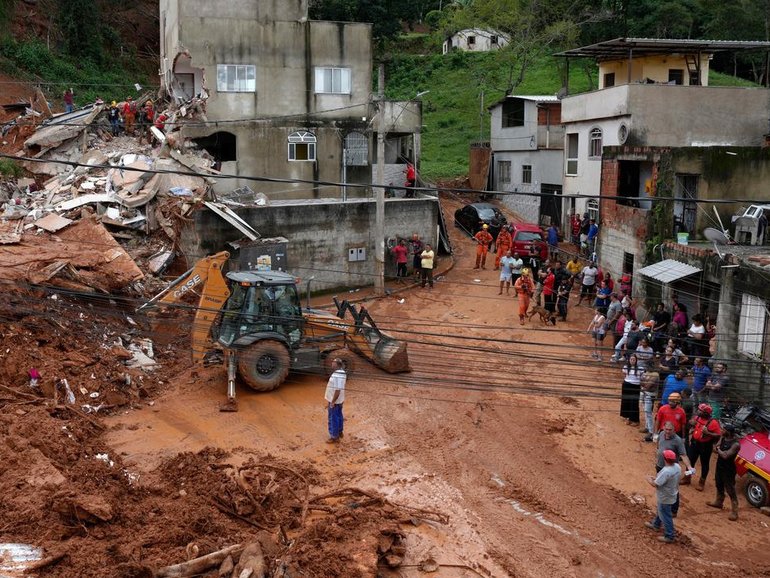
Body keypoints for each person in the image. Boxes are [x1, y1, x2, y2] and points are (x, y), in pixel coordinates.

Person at [654, 421, 695, 518]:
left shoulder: (678, 440)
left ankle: (673, 510)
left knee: (673, 490)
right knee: (661, 488)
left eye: (670, 430)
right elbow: (659, 446)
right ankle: (662, 506)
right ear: (663, 428)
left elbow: (683, 455)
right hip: (660, 466)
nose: (668, 431)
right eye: (666, 429)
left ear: (674, 430)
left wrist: (689, 467)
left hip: (670, 469)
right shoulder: (661, 434)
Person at [645, 449, 681, 543]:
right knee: (661, 510)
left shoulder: (666, 471)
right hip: (672, 494)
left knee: (666, 515)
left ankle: (669, 536)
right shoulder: (677, 467)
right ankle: (656, 524)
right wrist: (656, 478)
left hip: (665, 496)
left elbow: (655, 484)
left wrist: (649, 479)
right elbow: (665, 479)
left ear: (665, 459)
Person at [707, 423, 741, 521]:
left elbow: (726, 455)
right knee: (719, 484)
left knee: (730, 489)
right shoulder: (723, 438)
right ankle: (719, 502)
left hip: (728, 470)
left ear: (728, 432)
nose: (721, 430)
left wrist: (718, 449)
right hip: (720, 466)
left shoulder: (735, 444)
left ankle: (735, 511)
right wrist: (718, 448)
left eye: (723, 429)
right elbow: (715, 449)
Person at [688, 403, 721, 492]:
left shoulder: (713, 423)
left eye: (700, 410)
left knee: (704, 464)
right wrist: (691, 423)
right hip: (695, 443)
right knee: (690, 461)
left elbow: (718, 435)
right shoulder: (697, 418)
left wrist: (708, 433)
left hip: (705, 446)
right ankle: (687, 477)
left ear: (706, 413)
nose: (698, 411)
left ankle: (702, 482)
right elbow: (691, 423)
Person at [324, 358, 347, 443]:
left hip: (335, 400)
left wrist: (333, 402)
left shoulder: (337, 375)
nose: (332, 363)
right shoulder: (342, 372)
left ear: (337, 364)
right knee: (339, 416)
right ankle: (340, 432)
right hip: (340, 400)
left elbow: (337, 390)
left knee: (333, 418)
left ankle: (334, 436)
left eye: (333, 362)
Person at [620, 354, 643, 425]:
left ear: (636, 360)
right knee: (626, 401)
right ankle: (628, 418)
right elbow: (624, 375)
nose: (632, 361)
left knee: (634, 403)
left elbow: (642, 378)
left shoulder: (640, 368)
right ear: (629, 360)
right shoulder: (625, 367)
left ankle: (635, 420)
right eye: (631, 359)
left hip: (635, 387)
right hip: (626, 385)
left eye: (634, 359)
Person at [640, 372, 659, 437]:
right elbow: (641, 382)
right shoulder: (646, 373)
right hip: (644, 394)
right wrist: (645, 384)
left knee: (648, 413)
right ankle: (647, 427)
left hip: (650, 395)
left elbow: (648, 386)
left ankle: (651, 432)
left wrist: (644, 383)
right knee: (646, 412)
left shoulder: (655, 374)